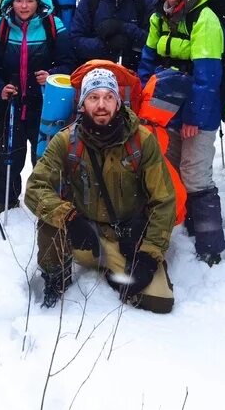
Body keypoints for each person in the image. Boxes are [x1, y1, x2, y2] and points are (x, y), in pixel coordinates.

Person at [25, 68, 177, 313]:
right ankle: (57, 275)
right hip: (84, 236)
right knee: (49, 220)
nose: (102, 105)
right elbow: (35, 188)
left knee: (159, 301)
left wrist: (149, 255)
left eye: (108, 97)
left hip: (126, 236)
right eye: (93, 97)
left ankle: (113, 266)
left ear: (118, 102)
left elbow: (164, 200)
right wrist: (70, 219)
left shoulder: (142, 141)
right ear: (83, 103)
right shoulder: (66, 141)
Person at [137, 0, 225, 265]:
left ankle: (211, 246)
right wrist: (139, 102)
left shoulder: (205, 18)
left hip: (198, 110)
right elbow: (147, 64)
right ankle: (186, 225)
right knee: (171, 170)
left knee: (196, 174)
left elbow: (208, 75)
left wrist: (194, 117)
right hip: (166, 108)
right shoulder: (158, 17)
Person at [0, 0, 74, 213]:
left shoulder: (53, 24)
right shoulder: (0, 25)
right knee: (8, 153)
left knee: (44, 155)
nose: (24, 6)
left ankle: (44, 199)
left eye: (29, 0)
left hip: (44, 103)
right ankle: (5, 199)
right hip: (9, 102)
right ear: (12, 2)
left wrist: (52, 74)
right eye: (19, 0)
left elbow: (69, 62)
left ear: (37, 2)